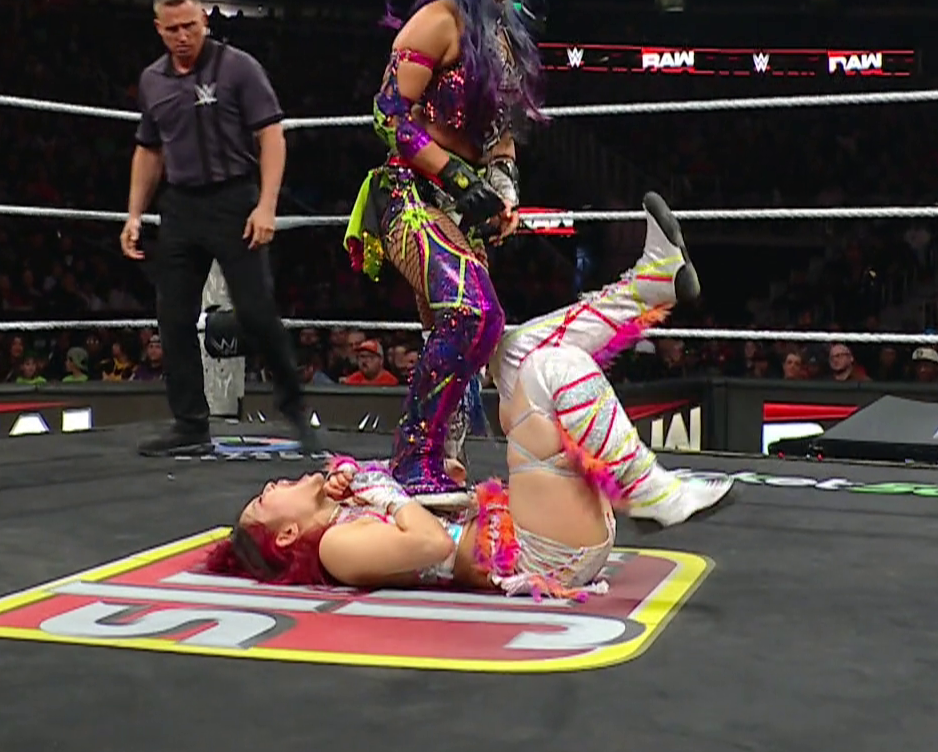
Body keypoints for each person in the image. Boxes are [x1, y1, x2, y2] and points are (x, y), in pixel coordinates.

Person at [213, 193, 733, 599]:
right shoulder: (334, 547)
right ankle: (653, 493)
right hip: (543, 554)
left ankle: (648, 285)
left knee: (512, 353)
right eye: (263, 500)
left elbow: (429, 511)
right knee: (550, 369)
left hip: (540, 522)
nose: (272, 484)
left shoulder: (342, 512)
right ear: (286, 535)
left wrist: (421, 481)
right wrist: (376, 486)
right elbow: (431, 542)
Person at [343, 0, 542, 505]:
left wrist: (503, 189)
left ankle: (443, 467)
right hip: (409, 194)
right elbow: (388, 114)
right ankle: (413, 461)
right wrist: (456, 177)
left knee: (456, 332)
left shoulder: (504, 38)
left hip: (460, 209)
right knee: (473, 314)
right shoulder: (437, 21)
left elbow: (501, 136)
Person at [123, 0, 319, 456]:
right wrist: (134, 215)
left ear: (204, 22)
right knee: (172, 316)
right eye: (173, 29)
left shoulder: (238, 67)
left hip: (234, 198)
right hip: (180, 205)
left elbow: (271, 135)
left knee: (255, 311)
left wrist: (266, 205)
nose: (183, 36)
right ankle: (190, 423)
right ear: (159, 29)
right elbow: (149, 150)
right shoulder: (152, 80)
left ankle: (296, 411)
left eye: (190, 26)